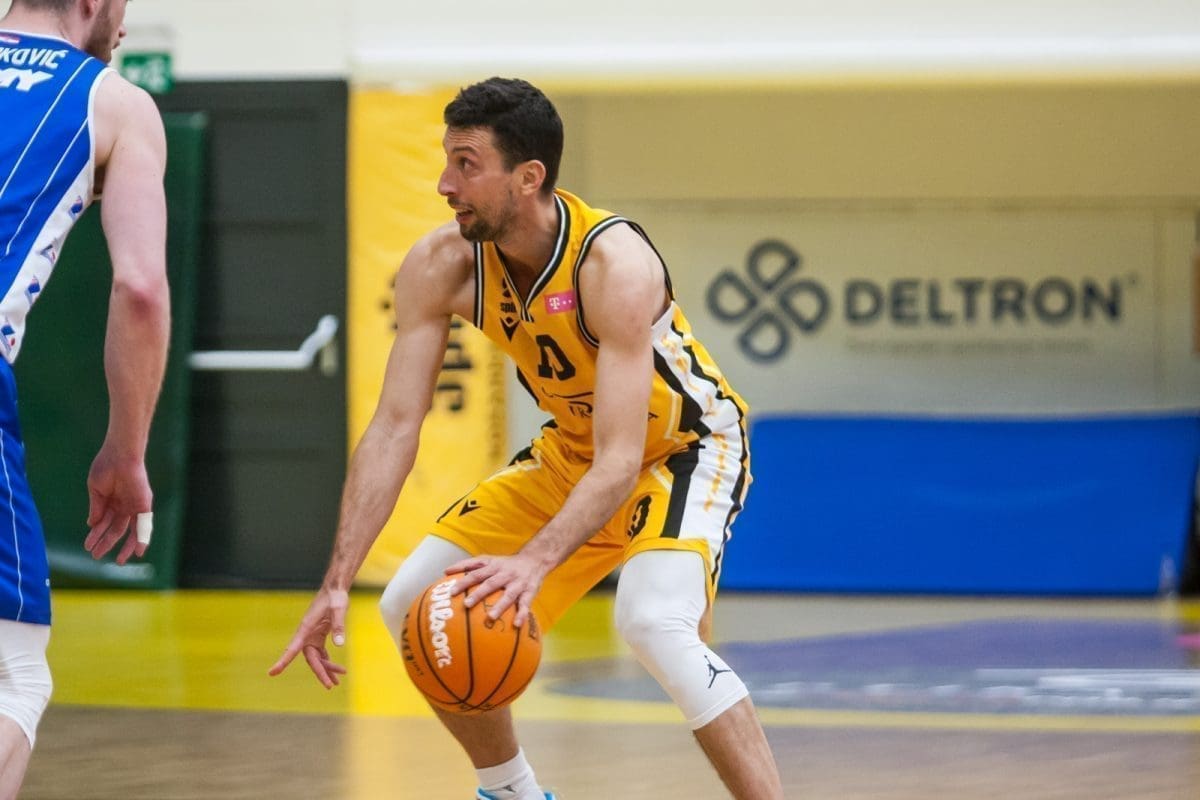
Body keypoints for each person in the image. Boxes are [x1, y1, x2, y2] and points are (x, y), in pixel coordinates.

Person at [270, 77, 784, 800]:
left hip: (682, 451)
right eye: (446, 161)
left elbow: (622, 458)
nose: (445, 184)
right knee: (414, 603)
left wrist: (534, 563)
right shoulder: (441, 264)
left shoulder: (613, 264)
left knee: (652, 621)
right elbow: (393, 427)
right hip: (574, 452)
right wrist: (335, 581)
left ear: (529, 176)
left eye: (467, 164)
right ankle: (513, 794)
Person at [0, 0, 170, 795]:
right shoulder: (112, 103)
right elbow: (139, 288)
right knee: (14, 678)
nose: (125, 25)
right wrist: (126, 451)